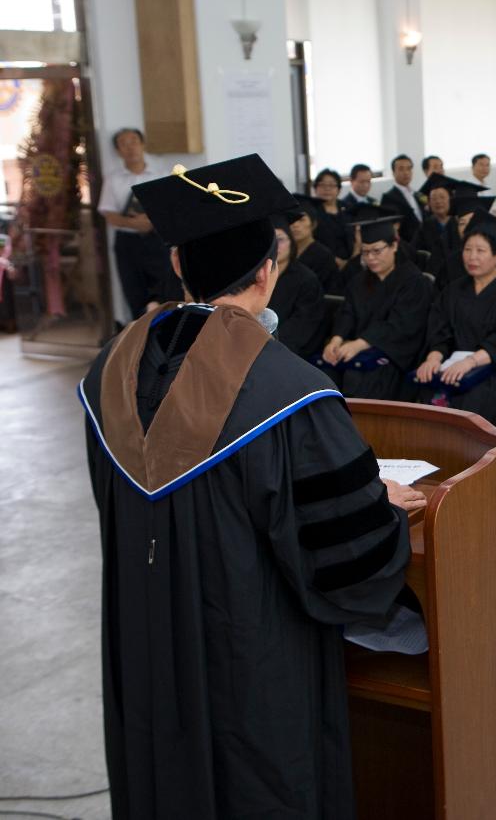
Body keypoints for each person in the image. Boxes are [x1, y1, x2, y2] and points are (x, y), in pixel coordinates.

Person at [84, 153, 425, 817]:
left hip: (146, 645)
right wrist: (375, 507)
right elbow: (345, 564)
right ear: (268, 272)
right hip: (252, 655)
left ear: (178, 266)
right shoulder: (289, 394)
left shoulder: (108, 374)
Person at [414, 223, 496, 434]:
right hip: (452, 366)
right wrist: (433, 357)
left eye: (481, 251)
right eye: (468, 250)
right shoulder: (454, 290)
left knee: (474, 398)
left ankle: (472, 463)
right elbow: (440, 330)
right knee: (425, 386)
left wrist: (470, 363)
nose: (472, 257)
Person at [322, 211, 432, 401]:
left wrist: (360, 344)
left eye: (376, 251)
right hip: (354, 352)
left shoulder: (414, 282)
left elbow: (401, 325)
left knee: (361, 380)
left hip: (395, 358)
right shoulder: (359, 281)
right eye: (365, 252)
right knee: (323, 375)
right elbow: (347, 312)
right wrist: (336, 340)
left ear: (394, 245)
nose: (371, 258)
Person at [97, 127, 182, 318]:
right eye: (123, 144)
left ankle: (165, 336)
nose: (130, 147)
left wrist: (151, 222)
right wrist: (133, 224)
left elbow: (171, 208)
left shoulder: (160, 174)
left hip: (157, 240)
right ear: (118, 151)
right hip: (128, 243)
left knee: (165, 289)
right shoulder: (113, 179)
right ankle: (139, 339)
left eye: (134, 141)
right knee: (134, 291)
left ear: (142, 144)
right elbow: (109, 214)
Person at [267, 216, 328, 358]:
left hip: (290, 352)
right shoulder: (258, 277)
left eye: (280, 240)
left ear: (291, 242)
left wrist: (270, 345)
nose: (275, 246)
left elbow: (302, 324)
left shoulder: (307, 280)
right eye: (270, 240)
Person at [288, 195, 342, 293]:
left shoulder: (324, 256)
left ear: (313, 224)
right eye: (291, 220)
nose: (295, 225)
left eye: (301, 220)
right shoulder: (284, 252)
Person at [380, 154, 424, 241]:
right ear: (393, 173)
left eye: (409, 169)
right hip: (407, 243)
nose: (406, 173)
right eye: (401, 169)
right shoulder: (388, 198)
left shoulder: (417, 194)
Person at [311, 168, 352, 259]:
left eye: (332, 185)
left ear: (339, 189)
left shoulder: (348, 208)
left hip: (350, 262)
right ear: (315, 188)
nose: (327, 189)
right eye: (322, 185)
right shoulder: (311, 212)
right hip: (322, 261)